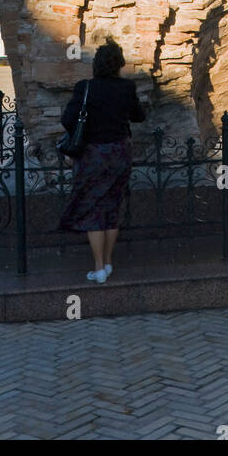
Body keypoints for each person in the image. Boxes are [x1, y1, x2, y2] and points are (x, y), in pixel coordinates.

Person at [58, 40, 145, 283]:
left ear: (96, 65)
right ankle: (107, 263)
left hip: (93, 154)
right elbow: (139, 116)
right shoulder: (126, 88)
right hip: (120, 153)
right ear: (119, 64)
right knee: (113, 207)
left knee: (94, 208)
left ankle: (98, 268)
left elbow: (68, 120)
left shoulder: (85, 87)